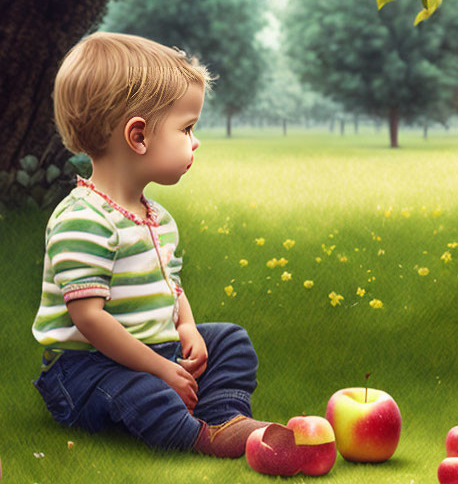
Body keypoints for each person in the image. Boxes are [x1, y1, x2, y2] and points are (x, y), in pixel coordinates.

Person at [31, 31, 283, 457]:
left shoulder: (157, 217)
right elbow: (90, 320)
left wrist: (185, 326)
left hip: (154, 347)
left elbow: (171, 284)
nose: (196, 141)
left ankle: (223, 416)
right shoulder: (82, 221)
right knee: (139, 390)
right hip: (86, 369)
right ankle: (199, 438)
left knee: (229, 340)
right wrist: (161, 369)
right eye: (187, 128)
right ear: (139, 137)